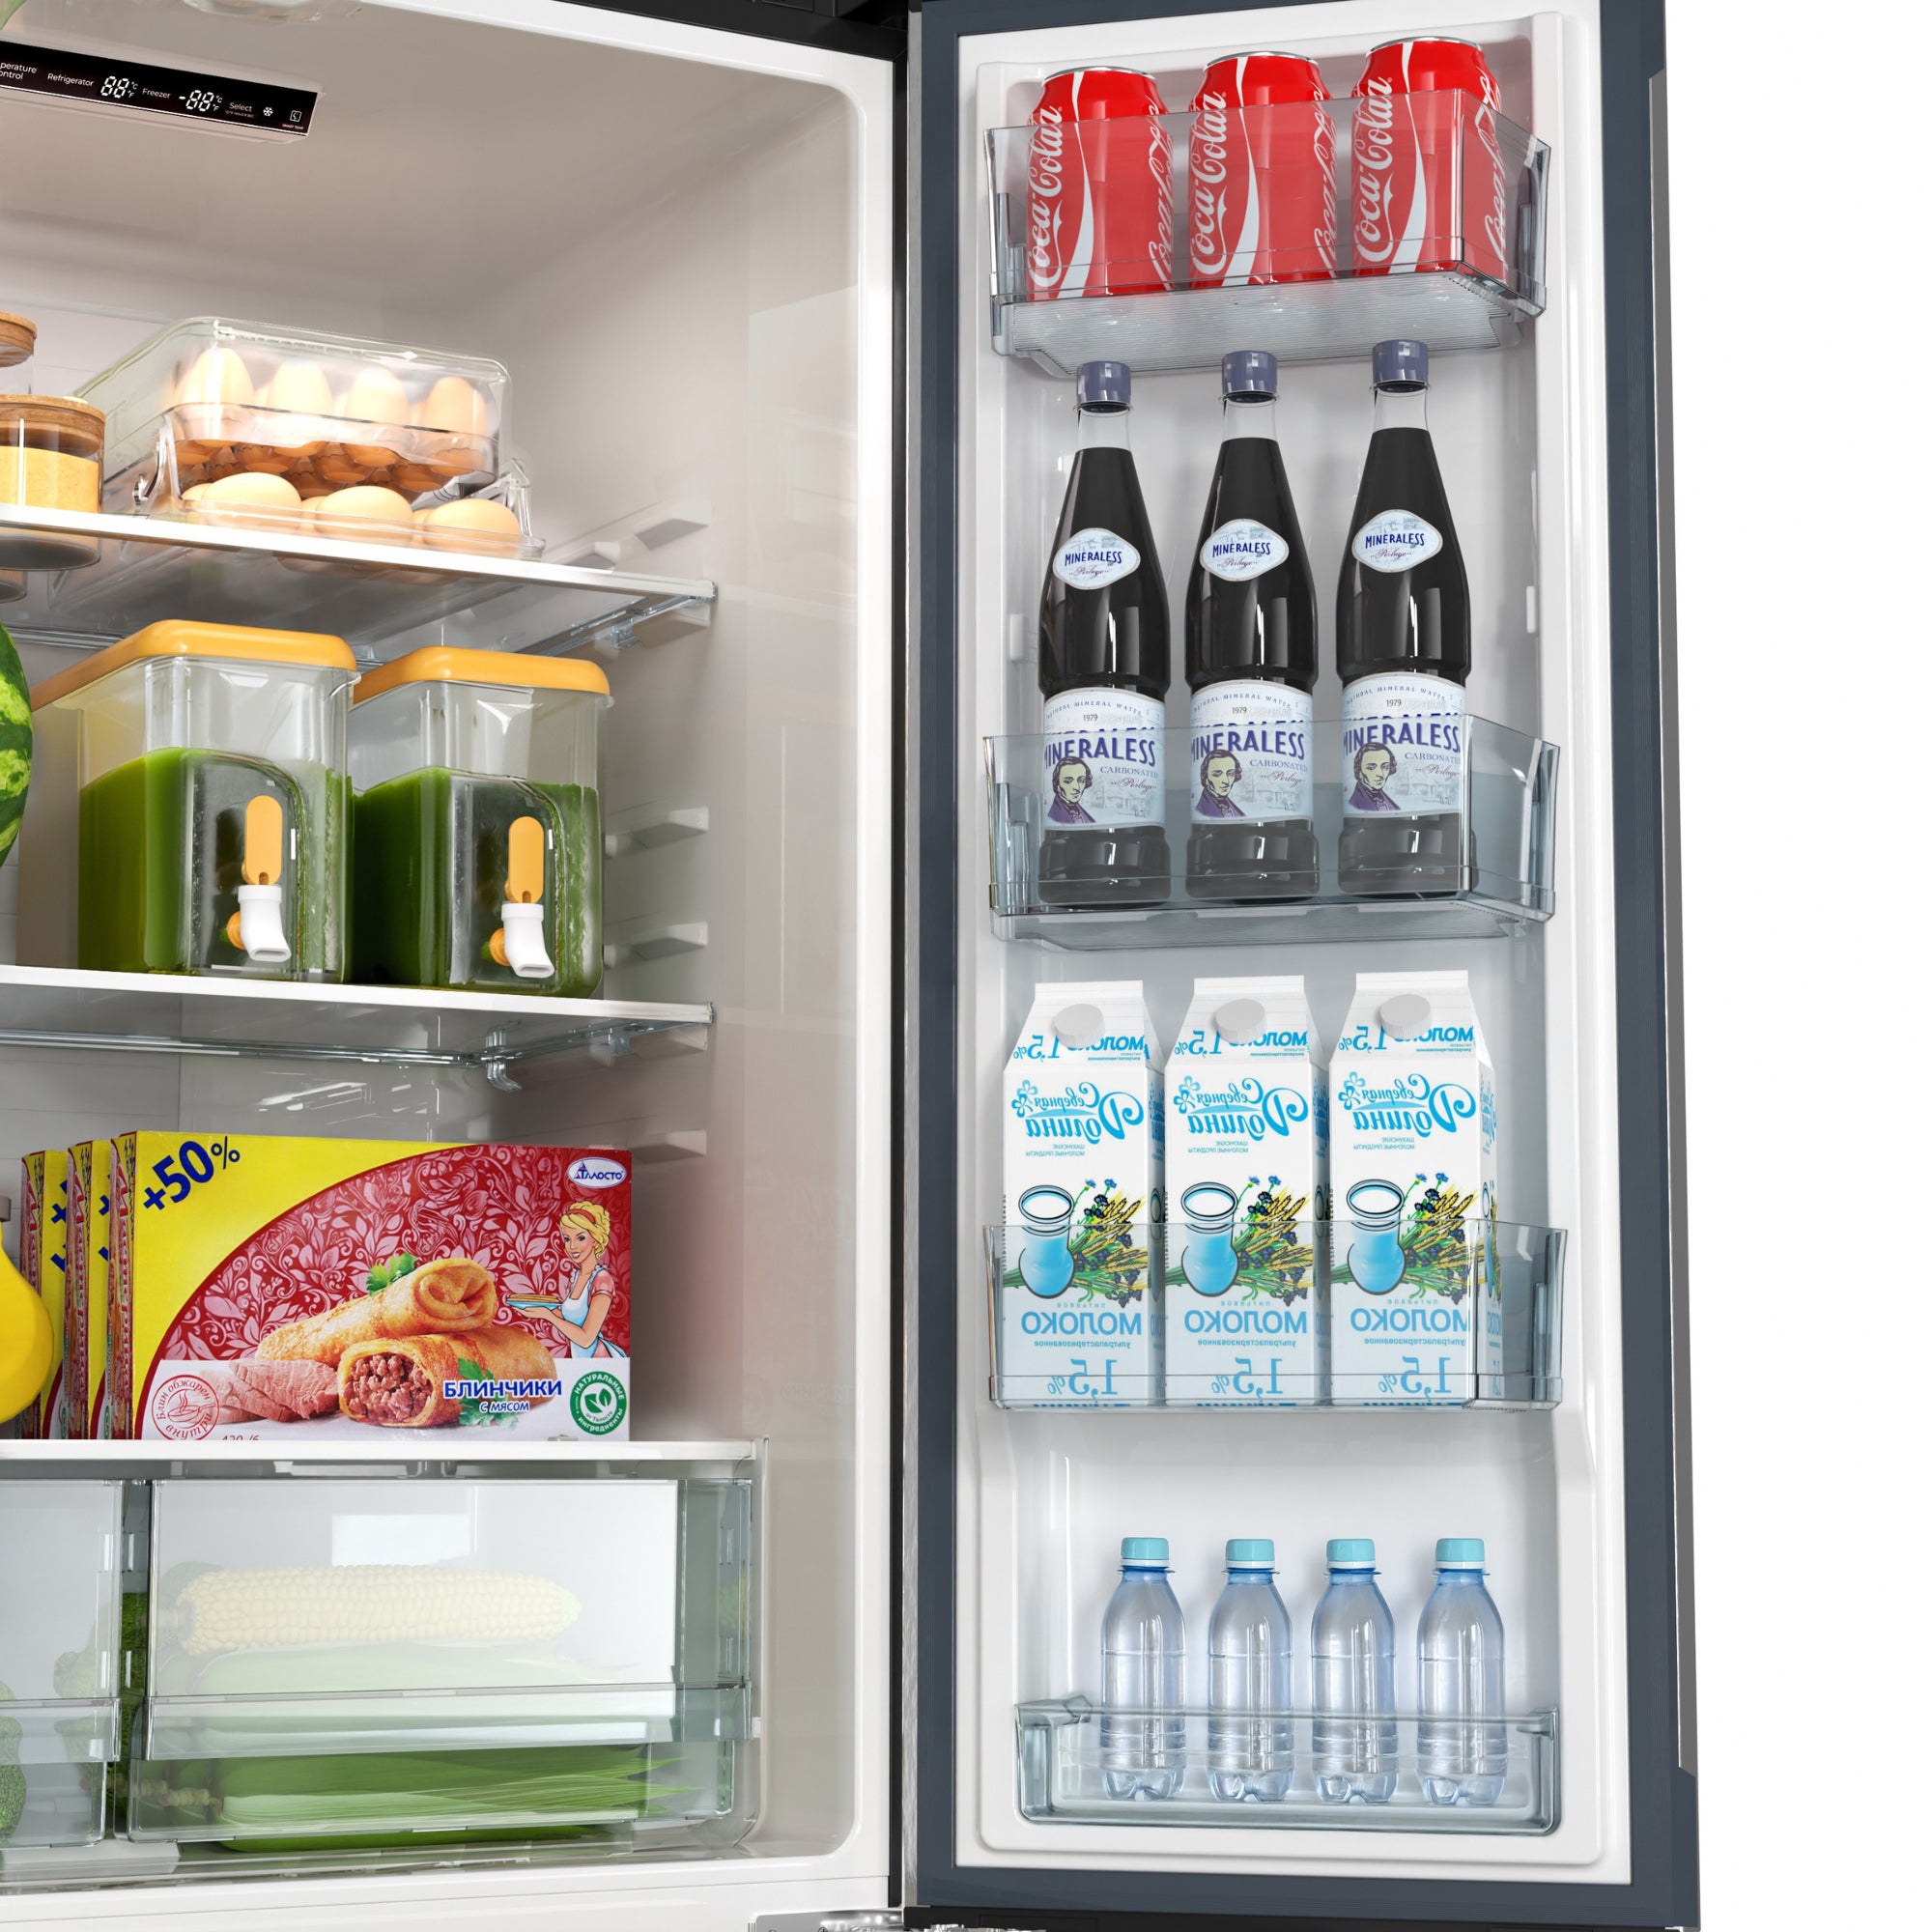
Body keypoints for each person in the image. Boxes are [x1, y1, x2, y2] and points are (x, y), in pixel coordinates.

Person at [527, 1202, 628, 1357]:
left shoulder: (602, 1279)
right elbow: (571, 1318)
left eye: (580, 1238)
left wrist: (548, 1316)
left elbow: (587, 1338)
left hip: (598, 1360)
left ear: (595, 1239)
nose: (572, 1246)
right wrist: (534, 1306)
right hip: (579, 1360)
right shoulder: (576, 1277)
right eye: (567, 1239)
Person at [1348, 741, 1400, 812]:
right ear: (1359, 771)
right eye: (1371, 768)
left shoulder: (1384, 798)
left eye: (1385, 767)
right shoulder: (1354, 804)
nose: (1381, 774)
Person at [1196, 748, 1244, 818]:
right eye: (1217, 774)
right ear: (1206, 778)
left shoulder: (1229, 805)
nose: (1226, 781)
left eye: (1230, 774)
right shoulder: (1201, 810)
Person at [1046, 754, 1095, 824]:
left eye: (1081, 780)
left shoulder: (1082, 813)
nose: (1077, 788)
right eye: (1068, 781)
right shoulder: (1052, 816)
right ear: (1057, 785)